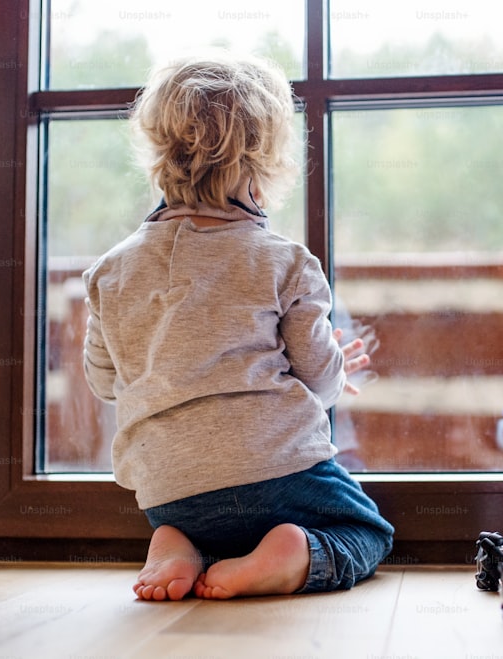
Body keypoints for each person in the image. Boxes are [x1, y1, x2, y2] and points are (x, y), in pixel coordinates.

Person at [81, 50, 394, 601]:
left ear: (157, 149)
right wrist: (334, 367)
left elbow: (104, 382)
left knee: (198, 518)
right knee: (366, 531)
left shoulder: (110, 271)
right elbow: (320, 379)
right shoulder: (284, 261)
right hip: (278, 471)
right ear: (266, 162)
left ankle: (177, 541)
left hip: (167, 488)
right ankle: (290, 555)